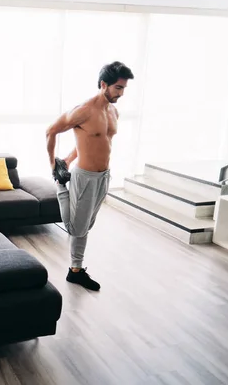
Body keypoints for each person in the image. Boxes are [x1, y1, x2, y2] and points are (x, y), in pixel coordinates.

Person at [46, 61, 134, 291]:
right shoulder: (83, 111)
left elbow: (94, 141)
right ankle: (60, 187)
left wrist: (67, 159)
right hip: (84, 176)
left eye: (124, 88)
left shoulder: (114, 111)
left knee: (87, 225)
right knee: (77, 228)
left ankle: (76, 270)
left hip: (104, 176)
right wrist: (53, 165)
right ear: (103, 84)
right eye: (117, 88)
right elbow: (51, 131)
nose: (121, 93)